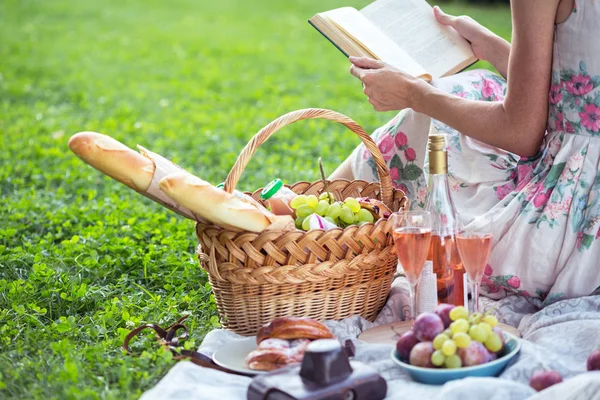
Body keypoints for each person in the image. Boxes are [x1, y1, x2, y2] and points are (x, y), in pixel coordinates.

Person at [330, 0, 600, 308]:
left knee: (435, 118)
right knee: (479, 87)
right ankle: (312, 209)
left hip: (574, 223)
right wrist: (495, 49)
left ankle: (311, 214)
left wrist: (414, 94)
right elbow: (585, 96)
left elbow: (521, 133)